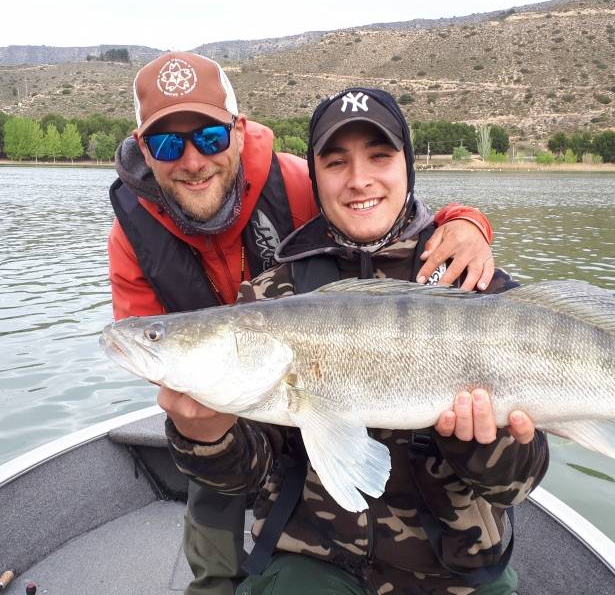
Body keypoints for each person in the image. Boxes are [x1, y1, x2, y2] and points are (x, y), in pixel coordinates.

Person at [108, 52, 499, 595]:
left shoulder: (298, 179)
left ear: (239, 133)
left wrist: (469, 222)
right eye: (169, 145)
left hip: (296, 352)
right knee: (209, 488)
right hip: (236, 380)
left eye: (211, 139)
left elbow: (386, 203)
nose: (193, 160)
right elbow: (152, 353)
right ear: (145, 148)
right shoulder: (130, 237)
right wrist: (198, 426)